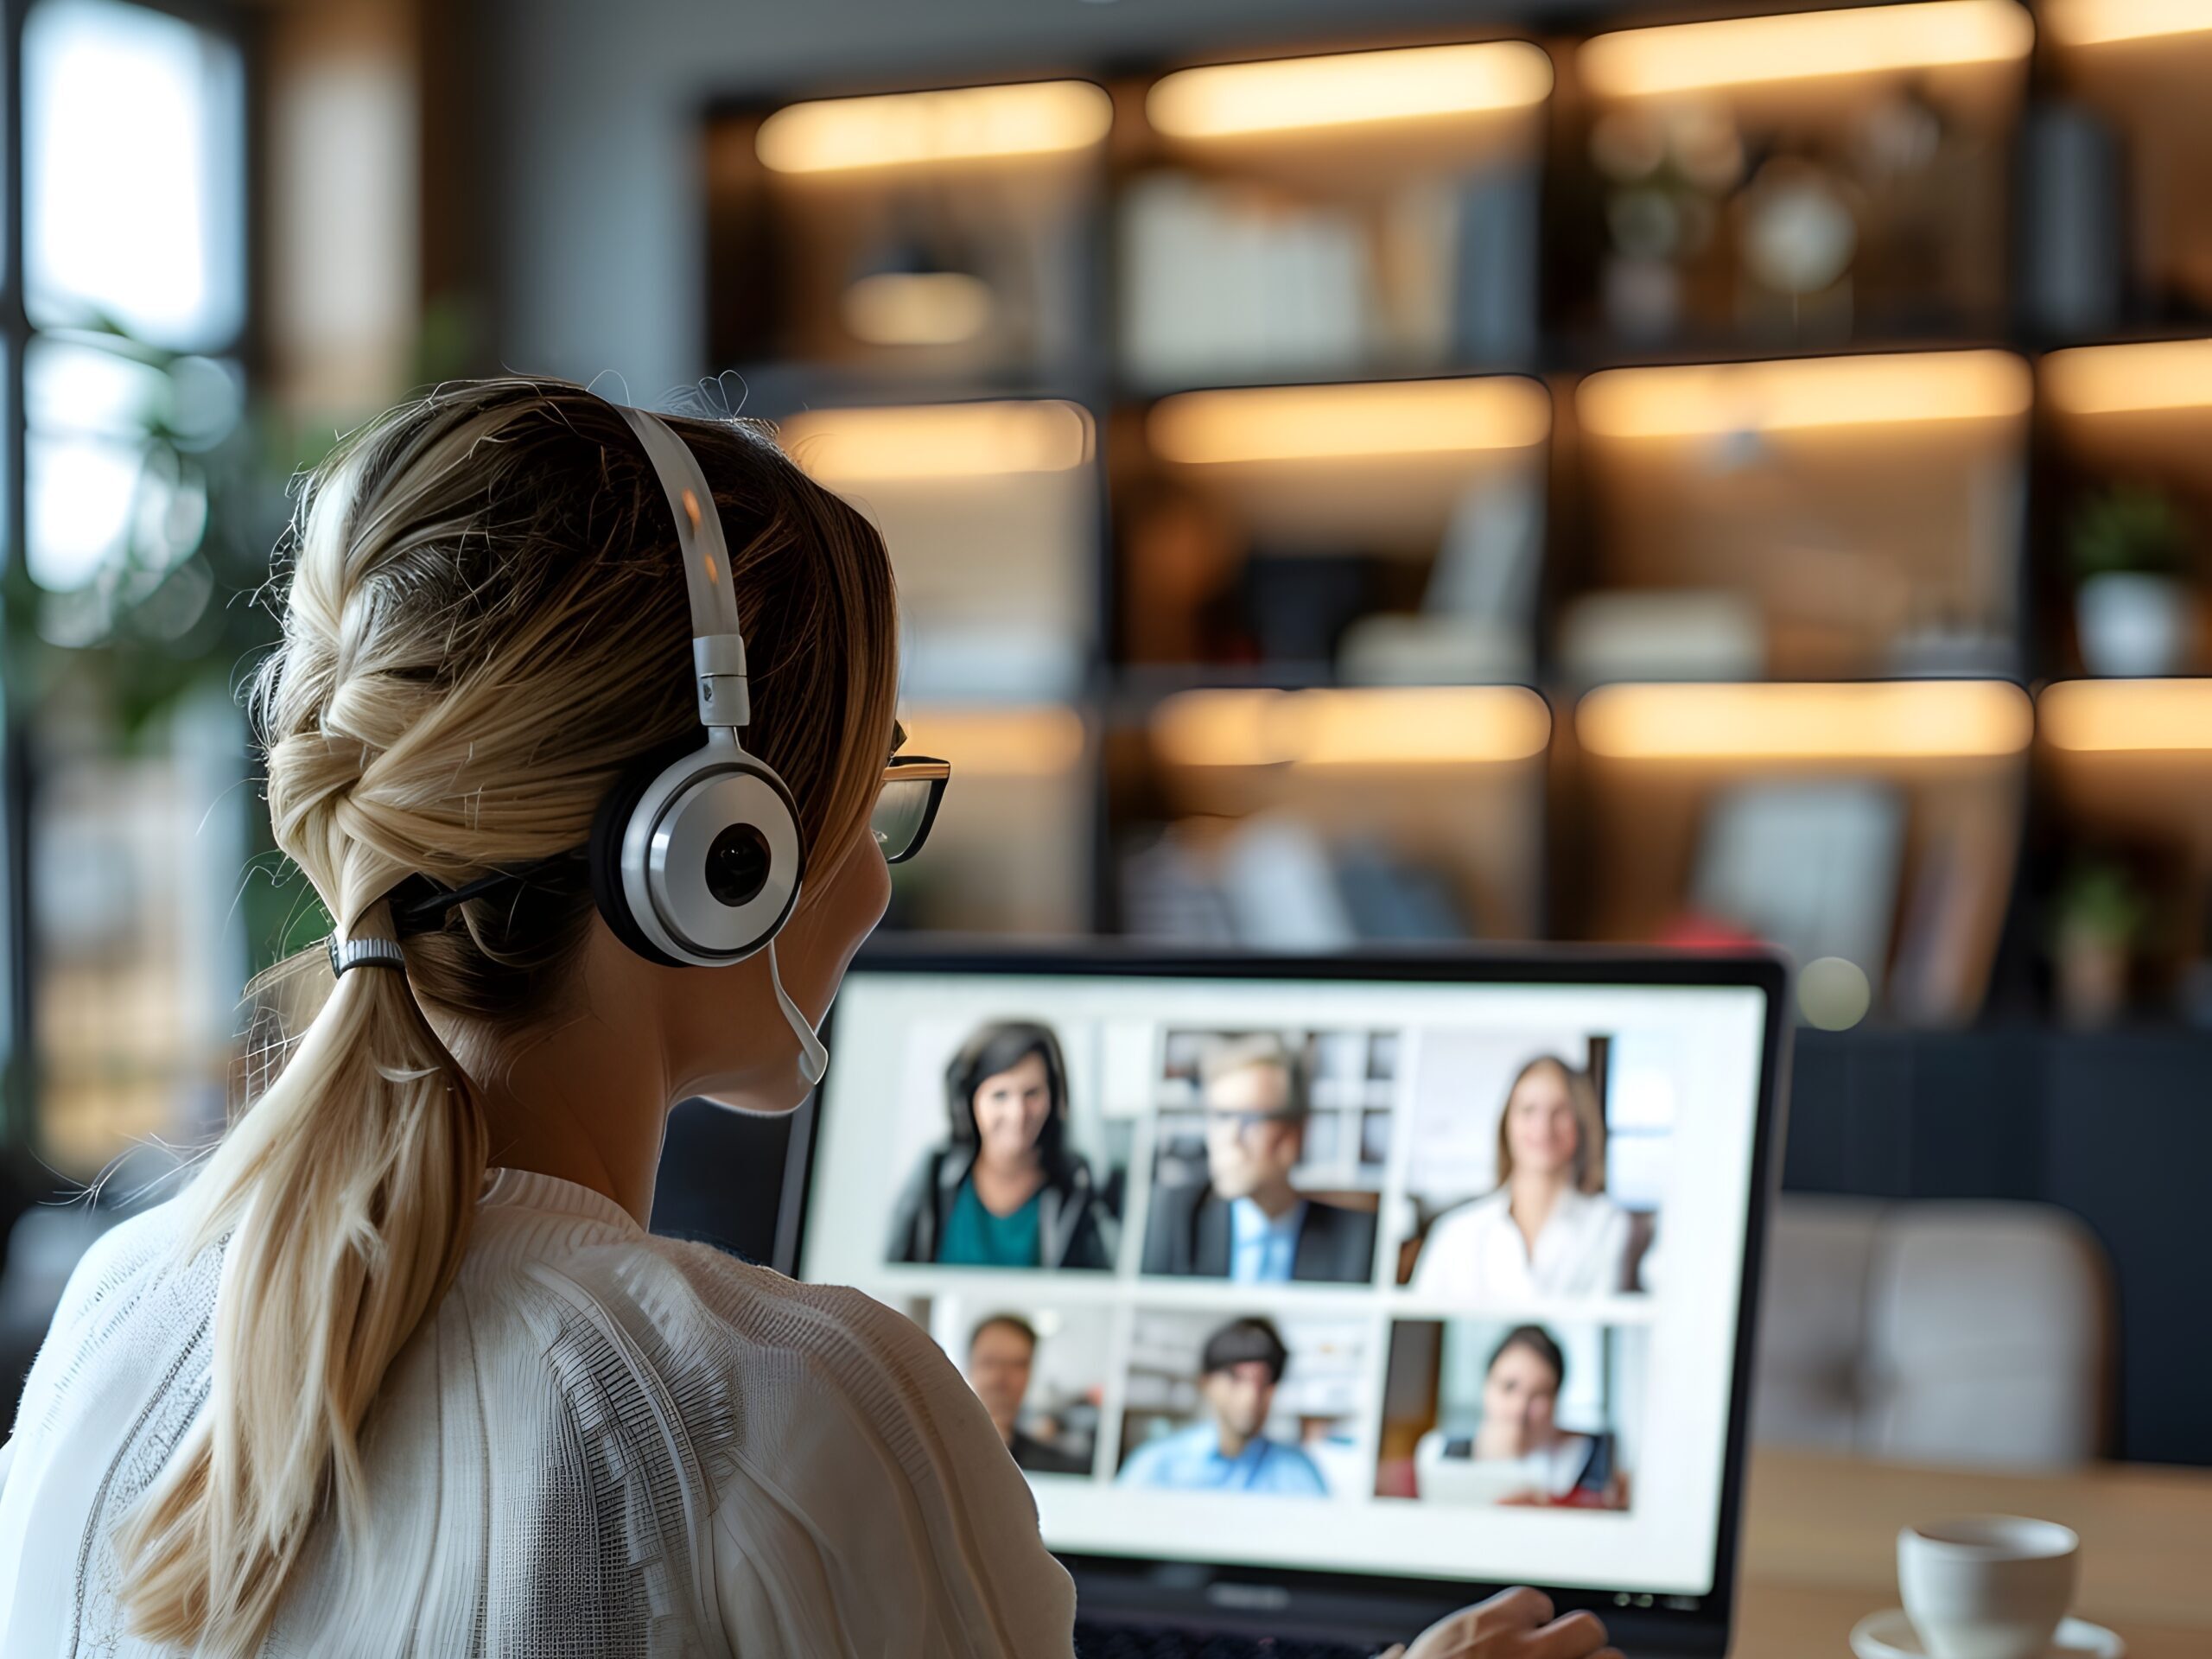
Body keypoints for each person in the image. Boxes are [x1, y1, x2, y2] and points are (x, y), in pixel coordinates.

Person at [0, 378, 1615, 1659]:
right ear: (717, 856)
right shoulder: (774, 1415)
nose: (878, 885)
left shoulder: (117, 1312)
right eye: (870, 796)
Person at [1141, 1034, 1378, 1284]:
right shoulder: (1174, 1219)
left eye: (1250, 1120)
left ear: (1294, 1133)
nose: (1229, 1138)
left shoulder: (1354, 1238)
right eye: (1221, 1117)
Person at [887, 1020, 1113, 1269]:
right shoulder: (933, 1173)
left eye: (1032, 1093)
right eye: (1000, 1095)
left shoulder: (1075, 1185)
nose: (1017, 1114)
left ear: (1054, 1097)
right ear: (968, 1101)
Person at [1411, 1056, 1637, 1300]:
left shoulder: (1608, 1226)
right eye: (1529, 1110)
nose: (1543, 1126)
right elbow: (1417, 1330)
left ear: (1581, 1124)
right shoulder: (1455, 1234)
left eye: (1560, 1111)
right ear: (1507, 1122)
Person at [1117, 1318, 1328, 1496]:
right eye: (1235, 1378)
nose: (1250, 1395)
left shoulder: (1296, 1472)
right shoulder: (1159, 1465)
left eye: (1263, 1381)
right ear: (1206, 1383)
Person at [1429, 1326, 1625, 1511]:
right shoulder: (1437, 1452)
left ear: (1556, 1401)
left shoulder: (1595, 1460)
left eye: (1539, 1394)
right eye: (1509, 1387)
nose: (1519, 1408)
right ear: (1486, 1388)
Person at [964, 1314, 1092, 1478]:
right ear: (969, 1366)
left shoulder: (1053, 1467)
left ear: (1031, 1372)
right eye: (989, 1362)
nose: (1000, 1378)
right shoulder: (935, 1450)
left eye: (1016, 1365)